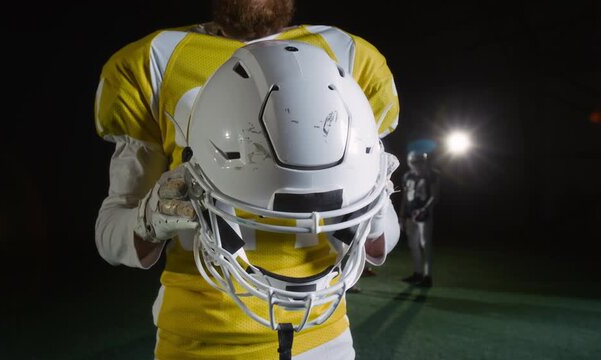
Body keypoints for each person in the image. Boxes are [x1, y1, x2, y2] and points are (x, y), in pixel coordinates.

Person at [93, 1, 400, 359]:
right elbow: (109, 232)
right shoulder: (153, 61)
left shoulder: (350, 56)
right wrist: (149, 218)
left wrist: (375, 205)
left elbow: (377, 246)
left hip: (323, 337)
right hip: (199, 341)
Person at [399, 150, 440, 287]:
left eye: (420, 162)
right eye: (415, 162)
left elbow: (434, 195)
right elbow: (405, 197)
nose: (418, 165)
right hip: (411, 214)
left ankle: (428, 276)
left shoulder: (432, 175)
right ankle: (417, 273)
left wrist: (424, 209)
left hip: (424, 215)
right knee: (413, 245)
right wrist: (402, 215)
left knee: (425, 245)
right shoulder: (407, 176)